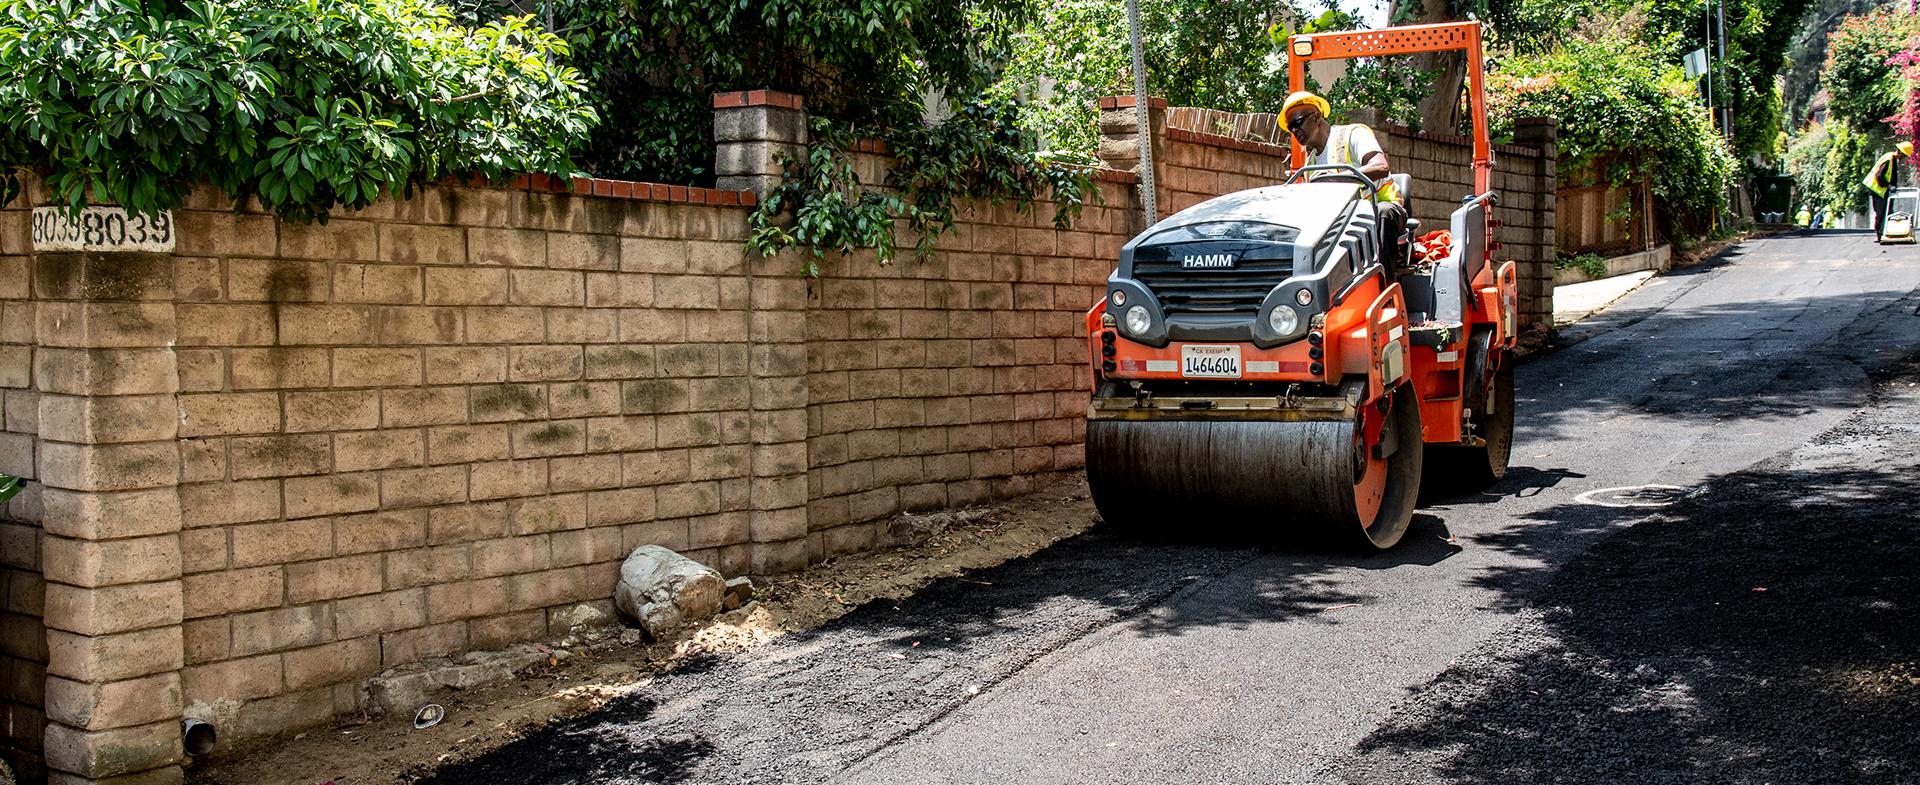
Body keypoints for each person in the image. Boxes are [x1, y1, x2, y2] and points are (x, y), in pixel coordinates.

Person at [1280, 91, 1408, 269]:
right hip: (1344, 221)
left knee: (1383, 212)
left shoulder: (1353, 134)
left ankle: (1383, 283)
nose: (1294, 130)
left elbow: (1380, 167)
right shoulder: (1311, 165)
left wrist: (1339, 179)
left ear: (1316, 117)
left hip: (1380, 208)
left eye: (1298, 122)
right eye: (1290, 128)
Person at [1863, 140, 1913, 237]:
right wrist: (1889, 186)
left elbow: (1891, 176)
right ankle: (1880, 234)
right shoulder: (1889, 159)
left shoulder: (1893, 159)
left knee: (1888, 211)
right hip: (1877, 189)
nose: (1904, 158)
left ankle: (1888, 232)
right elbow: (1879, 175)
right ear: (1900, 152)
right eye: (1904, 155)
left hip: (1882, 189)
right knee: (1881, 212)